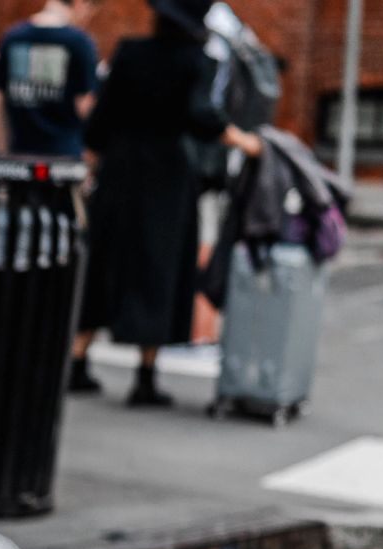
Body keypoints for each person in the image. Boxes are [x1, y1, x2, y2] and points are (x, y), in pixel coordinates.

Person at [71, 0, 262, 405]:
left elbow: (99, 121)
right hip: (167, 177)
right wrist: (240, 139)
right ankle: (145, 376)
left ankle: (77, 362)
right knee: (159, 269)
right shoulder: (193, 60)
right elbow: (201, 115)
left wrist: (97, 159)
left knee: (105, 261)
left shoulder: (130, 52)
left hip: (120, 171)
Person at [0, 0, 99, 158]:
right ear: (81, 3)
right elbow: (84, 105)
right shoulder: (79, 42)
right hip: (65, 156)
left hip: (19, 155)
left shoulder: (13, 36)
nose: (86, 19)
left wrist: (3, 149)